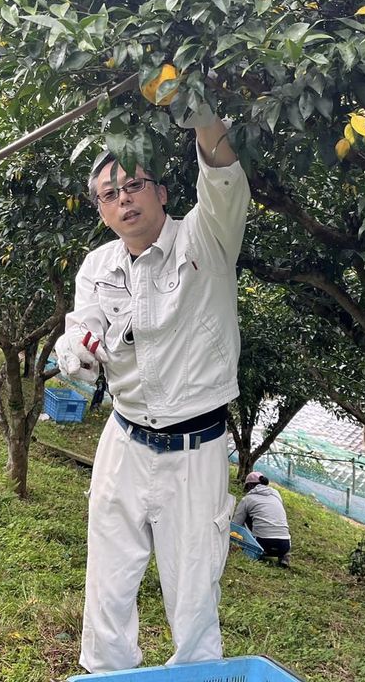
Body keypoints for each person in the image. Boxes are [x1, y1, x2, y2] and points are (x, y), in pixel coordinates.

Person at [55, 94, 250, 673]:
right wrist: (75, 355)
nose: (123, 199)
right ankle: (106, 673)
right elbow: (83, 331)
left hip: (197, 447)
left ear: (162, 192)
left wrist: (206, 121)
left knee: (193, 592)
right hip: (125, 438)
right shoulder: (98, 265)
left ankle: (193, 673)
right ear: (101, 211)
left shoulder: (206, 240)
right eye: (109, 194)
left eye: (134, 185)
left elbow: (222, 175)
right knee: (108, 581)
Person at [233, 471, 292, 567]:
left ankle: (253, 548)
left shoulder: (247, 499)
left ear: (250, 486)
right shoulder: (276, 494)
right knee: (278, 521)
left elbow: (236, 524)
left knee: (245, 518)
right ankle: (284, 556)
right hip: (285, 545)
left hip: (263, 545)